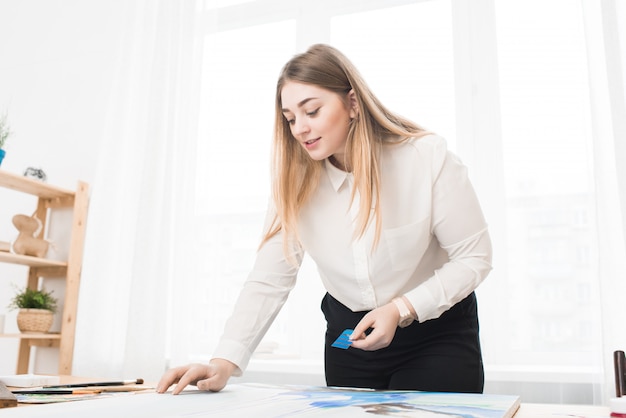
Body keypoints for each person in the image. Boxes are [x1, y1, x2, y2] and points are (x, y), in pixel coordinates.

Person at [157, 43, 492, 395]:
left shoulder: (426, 159)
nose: (300, 128)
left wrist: (401, 308)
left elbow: (475, 257)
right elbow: (269, 280)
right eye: (290, 119)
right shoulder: (293, 185)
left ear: (352, 104)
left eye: (312, 111)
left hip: (436, 334)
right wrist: (222, 362)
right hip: (349, 339)